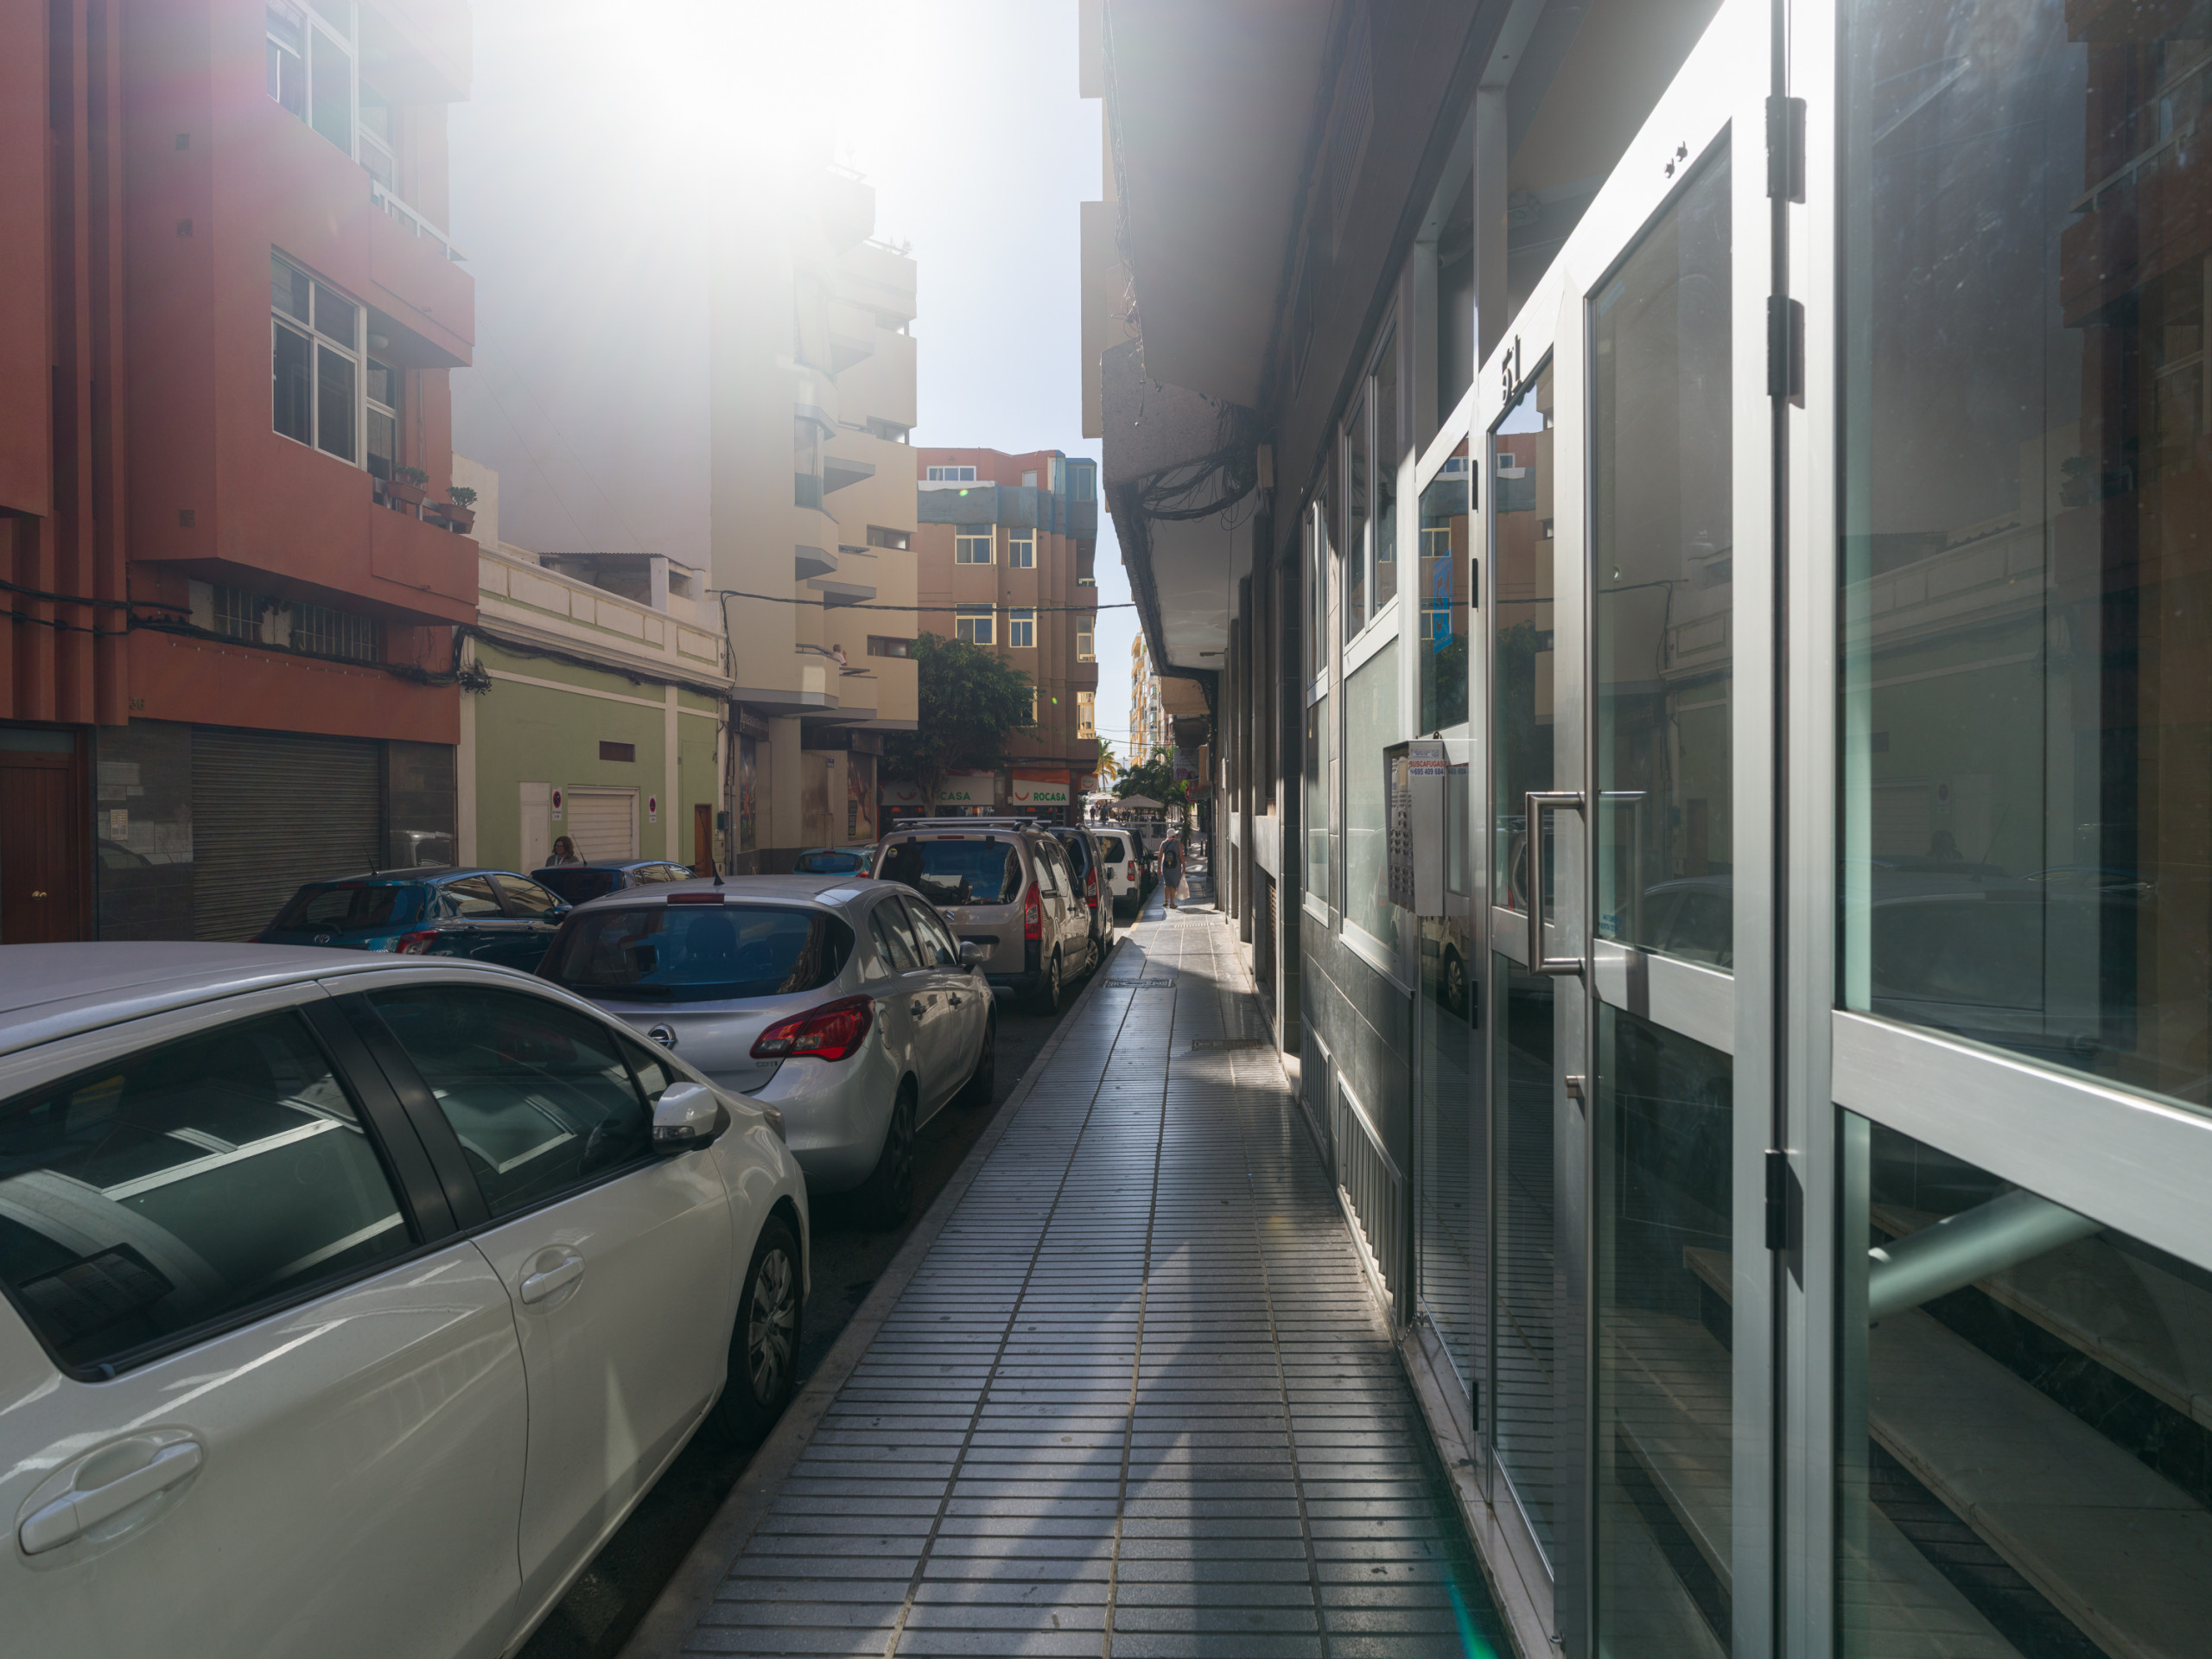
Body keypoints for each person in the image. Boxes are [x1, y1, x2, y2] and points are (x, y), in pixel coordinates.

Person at [1159, 828, 1183, 911]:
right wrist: (1184, 866)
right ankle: (1172, 903)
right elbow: (1181, 856)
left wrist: (1158, 868)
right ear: (1174, 835)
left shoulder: (1163, 843)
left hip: (1166, 866)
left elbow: (1159, 856)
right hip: (1175, 867)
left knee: (1167, 883)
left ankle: (1166, 901)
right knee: (1173, 884)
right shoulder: (1178, 843)